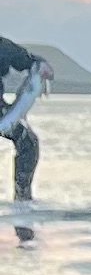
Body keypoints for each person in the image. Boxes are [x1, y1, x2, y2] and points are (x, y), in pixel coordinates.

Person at [0, 36, 47, 200]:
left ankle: (22, 196)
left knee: (28, 142)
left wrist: (39, 64)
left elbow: (25, 60)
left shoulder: (2, 46)